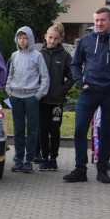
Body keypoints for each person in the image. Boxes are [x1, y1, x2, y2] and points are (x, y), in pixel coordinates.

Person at [64, 7, 110, 184]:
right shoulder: (86, 40)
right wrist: (81, 82)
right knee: (80, 129)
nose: (98, 23)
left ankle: (102, 169)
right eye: (96, 20)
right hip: (89, 91)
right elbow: (75, 64)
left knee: (106, 131)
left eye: (102, 20)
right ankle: (80, 169)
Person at [4, 26, 49, 174]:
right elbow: (10, 74)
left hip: (31, 97)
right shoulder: (14, 56)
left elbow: (45, 77)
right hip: (16, 96)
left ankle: (28, 160)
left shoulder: (37, 56)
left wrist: (38, 95)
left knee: (32, 129)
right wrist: (9, 90)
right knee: (18, 128)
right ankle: (18, 158)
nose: (22, 41)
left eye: (25, 38)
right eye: (19, 38)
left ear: (30, 39)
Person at [36, 24, 72, 171]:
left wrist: (62, 90)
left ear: (60, 39)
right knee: (43, 130)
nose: (52, 41)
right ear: (45, 36)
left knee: (55, 130)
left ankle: (53, 158)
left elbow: (72, 76)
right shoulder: (39, 54)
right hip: (42, 100)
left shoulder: (65, 56)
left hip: (56, 101)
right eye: (50, 37)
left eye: (55, 38)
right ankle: (44, 157)